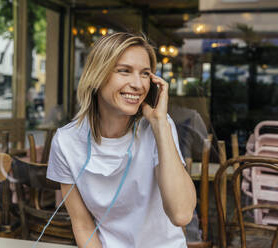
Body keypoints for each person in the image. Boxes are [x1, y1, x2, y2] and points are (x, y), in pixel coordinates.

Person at [46, 32, 196, 248]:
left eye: (145, 74)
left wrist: (160, 124)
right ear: (97, 75)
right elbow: (83, 226)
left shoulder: (159, 127)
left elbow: (181, 215)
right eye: (124, 71)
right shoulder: (66, 142)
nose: (137, 84)